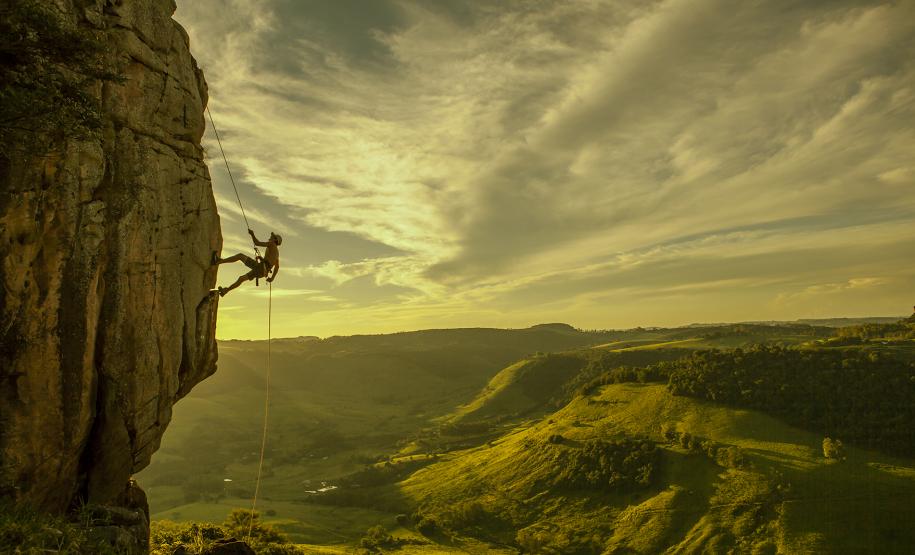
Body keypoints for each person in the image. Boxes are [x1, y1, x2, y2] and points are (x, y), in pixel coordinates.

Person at [212, 229, 281, 296]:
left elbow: (257, 243)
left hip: (260, 268)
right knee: (241, 278)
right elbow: (276, 267)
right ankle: (225, 291)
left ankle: (218, 261)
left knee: (240, 256)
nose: (270, 237)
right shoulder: (277, 253)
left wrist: (252, 234)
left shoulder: (271, 244)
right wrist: (272, 278)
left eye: (272, 237)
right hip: (262, 271)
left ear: (275, 240)